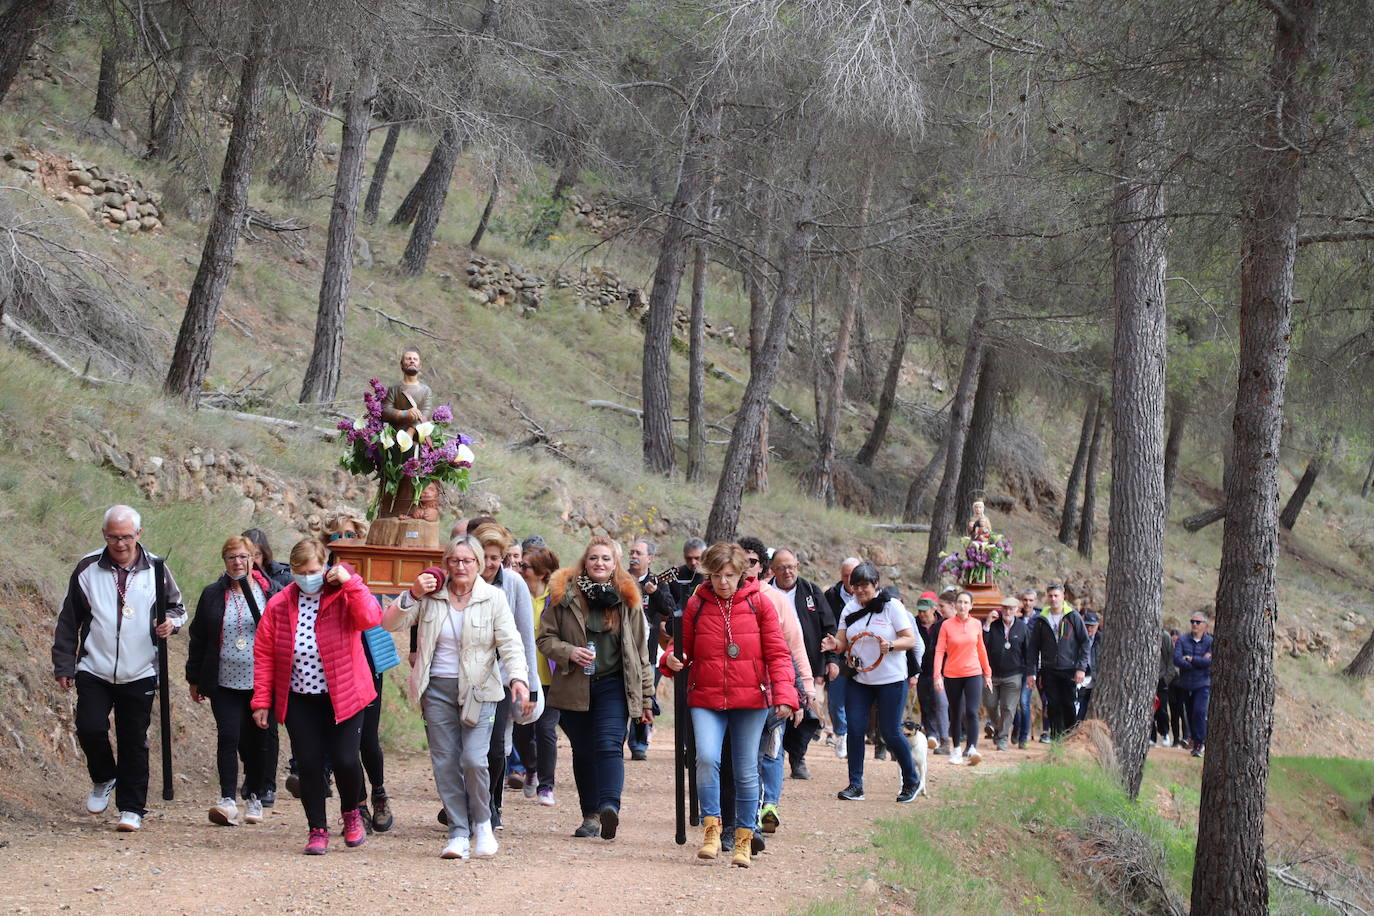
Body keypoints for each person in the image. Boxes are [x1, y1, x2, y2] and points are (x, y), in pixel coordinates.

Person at [383, 535, 531, 859]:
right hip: (436, 688)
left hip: (481, 690)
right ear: (446, 563)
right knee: (446, 762)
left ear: (478, 564)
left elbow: (510, 643)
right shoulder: (430, 595)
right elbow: (389, 622)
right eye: (454, 560)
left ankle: (483, 823)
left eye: (467, 561)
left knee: (475, 760)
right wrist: (411, 594)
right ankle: (458, 832)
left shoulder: (493, 598)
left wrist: (519, 678)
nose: (460, 566)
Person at [663, 542, 798, 868]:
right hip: (706, 696)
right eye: (717, 575)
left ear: (741, 574)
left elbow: (778, 654)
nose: (724, 582)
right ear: (708, 574)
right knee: (706, 758)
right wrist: (672, 660)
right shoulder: (696, 604)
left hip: (750, 699)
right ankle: (712, 828)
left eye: (730, 575)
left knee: (745, 768)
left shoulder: (760, 605)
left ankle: (743, 838)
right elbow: (681, 650)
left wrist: (785, 696)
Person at [52, 505, 186, 833]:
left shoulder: (156, 569)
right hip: (94, 667)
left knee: (133, 740)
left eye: (126, 536)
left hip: (139, 669)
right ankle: (103, 777)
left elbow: (178, 608)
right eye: (112, 537)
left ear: (138, 534)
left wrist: (171, 623)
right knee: (89, 727)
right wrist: (64, 664)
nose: (120, 543)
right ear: (104, 535)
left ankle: (132, 807)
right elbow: (69, 620)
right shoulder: (87, 568)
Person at [250, 538, 380, 855]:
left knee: (346, 759)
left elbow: (370, 618)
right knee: (308, 764)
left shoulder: (341, 595)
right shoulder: (279, 604)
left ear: (326, 567)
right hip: (300, 697)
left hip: (344, 693)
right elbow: (265, 653)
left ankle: (351, 812)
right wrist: (262, 700)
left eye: (314, 570)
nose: (308, 576)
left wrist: (351, 582)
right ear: (292, 570)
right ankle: (317, 828)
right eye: (301, 571)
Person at [537, 536, 655, 841]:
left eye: (606, 559)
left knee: (609, 744)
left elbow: (642, 651)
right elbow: (545, 639)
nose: (599, 564)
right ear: (584, 562)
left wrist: (646, 695)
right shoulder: (564, 595)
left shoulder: (628, 597)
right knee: (584, 751)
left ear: (615, 564)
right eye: (594, 558)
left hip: (614, 684)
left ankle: (608, 807)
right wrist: (569, 652)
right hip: (575, 684)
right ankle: (589, 815)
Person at [186, 535, 278, 826]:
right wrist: (194, 677)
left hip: (260, 681)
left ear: (253, 559)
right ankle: (227, 799)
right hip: (224, 680)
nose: (237, 562)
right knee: (228, 737)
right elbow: (198, 636)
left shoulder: (271, 592)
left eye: (243, 557)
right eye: (231, 557)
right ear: (224, 561)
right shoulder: (212, 593)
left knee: (256, 741)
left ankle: (254, 795)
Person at [821, 563, 921, 803]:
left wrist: (892, 645)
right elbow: (843, 642)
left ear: (876, 584)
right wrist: (833, 645)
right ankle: (855, 785)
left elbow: (909, 640)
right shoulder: (850, 608)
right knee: (855, 729)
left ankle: (911, 779)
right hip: (860, 678)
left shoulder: (892, 607)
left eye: (864, 585)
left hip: (891, 679)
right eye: (855, 585)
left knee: (890, 731)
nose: (859, 590)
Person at [738, 536, 813, 838]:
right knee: (748, 754)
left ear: (763, 567)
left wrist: (803, 688)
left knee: (771, 749)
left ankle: (770, 804)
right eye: (740, 561)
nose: (746, 567)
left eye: (752, 562)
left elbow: (794, 647)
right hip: (742, 689)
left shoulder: (777, 600)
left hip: (774, 687)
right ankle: (749, 811)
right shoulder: (725, 595)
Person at [469, 523, 539, 829]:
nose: (489, 564)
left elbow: (525, 638)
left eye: (495, 558)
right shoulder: (461, 581)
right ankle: (469, 805)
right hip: (464, 677)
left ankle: (492, 802)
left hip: (501, 678)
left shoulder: (513, 584)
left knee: (496, 748)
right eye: (483, 557)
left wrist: (530, 686)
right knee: (466, 749)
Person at [769, 547, 833, 780]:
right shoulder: (765, 593)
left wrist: (831, 660)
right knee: (781, 709)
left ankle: (798, 756)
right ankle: (776, 756)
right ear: (772, 570)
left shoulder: (811, 591)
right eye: (781, 568)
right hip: (777, 662)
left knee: (809, 715)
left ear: (798, 565)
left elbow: (829, 627)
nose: (787, 572)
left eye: (791, 566)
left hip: (809, 664)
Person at [513, 545, 561, 806]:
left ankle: (546, 785)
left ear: (542, 573)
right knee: (521, 730)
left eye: (526, 566)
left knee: (545, 730)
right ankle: (530, 767)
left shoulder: (557, 599)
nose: (520, 569)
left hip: (552, 677)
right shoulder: (516, 595)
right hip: (523, 676)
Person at [625, 538, 675, 761]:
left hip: (649, 652)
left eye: (638, 553)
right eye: (631, 552)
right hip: (622, 650)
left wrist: (654, 593)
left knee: (646, 696)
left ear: (650, 558)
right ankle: (616, 739)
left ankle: (638, 743)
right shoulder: (620, 578)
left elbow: (670, 609)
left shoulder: (658, 582)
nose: (633, 556)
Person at [933, 590, 993, 766]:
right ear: (955, 604)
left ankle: (972, 748)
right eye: (960, 602)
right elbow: (939, 650)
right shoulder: (946, 625)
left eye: (966, 602)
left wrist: (987, 673)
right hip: (952, 674)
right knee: (956, 711)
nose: (962, 605)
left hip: (973, 673)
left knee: (972, 711)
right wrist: (937, 675)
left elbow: (981, 649)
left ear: (971, 606)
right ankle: (957, 749)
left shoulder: (976, 624)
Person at [1026, 583, 1089, 739]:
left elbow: (1085, 642)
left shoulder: (1073, 616)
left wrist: (1081, 668)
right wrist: (1031, 672)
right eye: (1051, 596)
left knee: (1068, 704)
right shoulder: (1041, 619)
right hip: (1048, 669)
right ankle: (1056, 741)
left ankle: (1071, 738)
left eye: (1056, 596)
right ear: (1047, 597)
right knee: (1053, 705)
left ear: (1063, 597)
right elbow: (1033, 647)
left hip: (1069, 669)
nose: (1053, 599)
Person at [822, 557, 861, 758]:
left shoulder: (869, 595)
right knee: (836, 700)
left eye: (852, 575)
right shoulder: (830, 595)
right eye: (845, 575)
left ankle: (853, 735)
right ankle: (841, 733)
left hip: (861, 654)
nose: (849, 579)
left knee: (858, 699)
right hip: (837, 653)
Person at [984, 596, 1029, 751]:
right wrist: (988, 624)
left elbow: (1028, 652)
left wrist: (1030, 674)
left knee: (1008, 708)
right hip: (992, 674)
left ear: (1016, 610)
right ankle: (998, 729)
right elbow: (983, 645)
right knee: (990, 704)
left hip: (1014, 674)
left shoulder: (1023, 628)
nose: (1007, 611)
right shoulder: (993, 625)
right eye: (1005, 608)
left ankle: (1002, 738)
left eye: (1011, 609)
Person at [913, 591, 950, 755]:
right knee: (925, 702)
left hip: (940, 671)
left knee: (940, 703)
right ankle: (931, 734)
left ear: (933, 609)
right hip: (921, 671)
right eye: (919, 611)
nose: (922, 614)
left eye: (925, 611)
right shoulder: (914, 624)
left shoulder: (943, 625)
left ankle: (942, 737)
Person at [1174, 613, 1213, 758]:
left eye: (1197, 622)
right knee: (1189, 714)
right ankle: (1194, 739)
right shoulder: (1182, 640)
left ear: (1205, 625)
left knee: (1199, 711)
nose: (1194, 624)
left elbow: (1210, 662)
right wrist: (1196, 663)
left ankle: (1199, 743)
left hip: (1202, 684)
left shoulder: (1210, 641)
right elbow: (1177, 659)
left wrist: (1191, 659)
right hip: (1186, 684)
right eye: (1192, 622)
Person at [381, 346, 433, 433]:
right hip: (393, 436)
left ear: (420, 365)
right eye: (408, 359)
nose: (412, 361)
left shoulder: (426, 391)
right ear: (401, 364)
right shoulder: (394, 388)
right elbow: (386, 412)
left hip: (416, 438)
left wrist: (411, 431)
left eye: (415, 359)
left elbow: (426, 414)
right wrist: (404, 413)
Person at [1012, 589, 1039, 749]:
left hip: (1031, 666)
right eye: (1025, 600)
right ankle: (1016, 724)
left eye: (1030, 600)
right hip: (1015, 665)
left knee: (1024, 701)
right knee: (1012, 702)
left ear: (1035, 602)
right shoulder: (1016, 618)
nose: (1027, 603)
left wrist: (1034, 671)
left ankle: (1023, 737)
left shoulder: (1040, 619)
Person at [667, 537, 706, 609]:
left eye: (697, 558)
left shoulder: (714, 576)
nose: (693, 562)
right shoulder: (675, 575)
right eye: (689, 558)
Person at [1077, 611, 1102, 721]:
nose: (1089, 629)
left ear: (1097, 625)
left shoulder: (1102, 639)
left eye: (1092, 626)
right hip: (1081, 679)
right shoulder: (1077, 638)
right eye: (1086, 625)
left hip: (1097, 679)